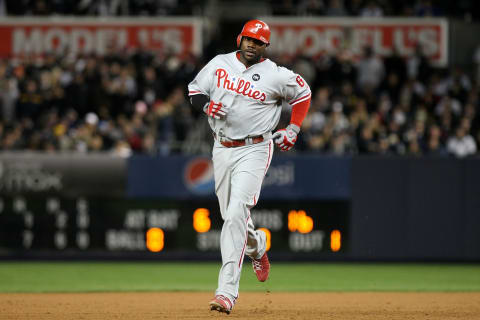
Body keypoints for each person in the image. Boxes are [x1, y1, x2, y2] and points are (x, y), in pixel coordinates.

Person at [187, 19, 311, 314]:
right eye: (249, 39)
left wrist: (293, 129)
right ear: (240, 38)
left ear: (265, 46)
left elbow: (303, 94)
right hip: (222, 148)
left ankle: (226, 292)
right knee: (231, 216)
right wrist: (206, 105)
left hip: (255, 148)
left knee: (236, 213)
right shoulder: (219, 63)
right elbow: (194, 92)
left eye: (259, 42)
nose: (252, 45)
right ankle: (258, 245)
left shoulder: (276, 75)